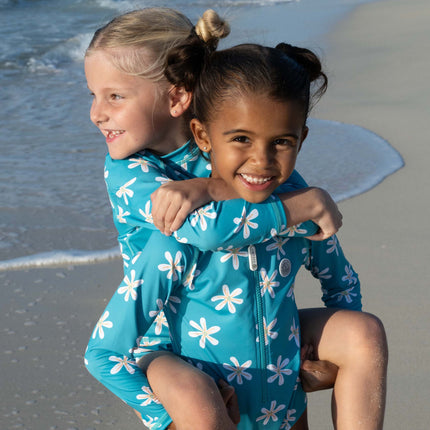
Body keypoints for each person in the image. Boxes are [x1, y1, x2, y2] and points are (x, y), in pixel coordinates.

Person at [84, 9, 388, 428]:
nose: (96, 113)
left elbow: (266, 186)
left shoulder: (240, 147)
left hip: (268, 339)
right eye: (93, 96)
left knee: (363, 334)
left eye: (114, 96)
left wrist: (327, 358)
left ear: (177, 98)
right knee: (194, 398)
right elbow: (204, 230)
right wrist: (302, 205)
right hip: (171, 347)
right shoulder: (128, 171)